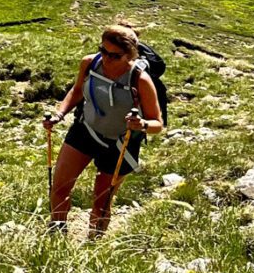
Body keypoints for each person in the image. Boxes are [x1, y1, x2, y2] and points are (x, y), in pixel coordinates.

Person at [42, 23, 163, 235]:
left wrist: (141, 125)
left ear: (129, 55)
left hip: (120, 143)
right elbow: (77, 90)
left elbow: (157, 123)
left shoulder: (140, 80)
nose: (107, 58)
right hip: (85, 130)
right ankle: (56, 235)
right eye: (103, 51)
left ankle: (94, 243)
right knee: (60, 188)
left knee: (101, 201)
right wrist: (59, 114)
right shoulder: (90, 63)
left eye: (115, 56)